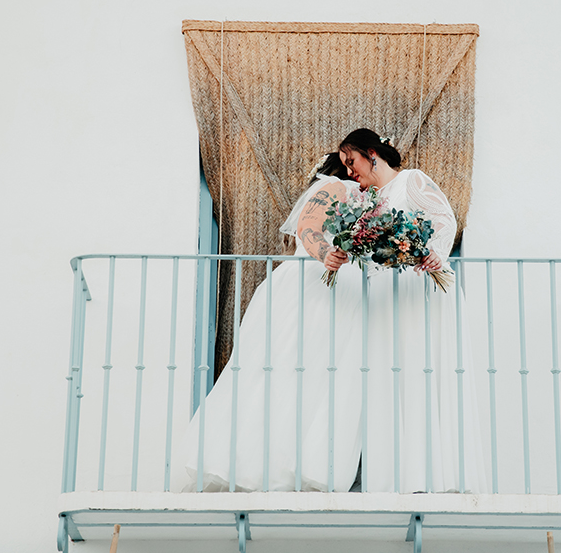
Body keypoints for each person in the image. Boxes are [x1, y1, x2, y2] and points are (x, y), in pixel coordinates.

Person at [171, 153, 368, 492]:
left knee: (305, 375)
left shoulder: (352, 193)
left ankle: (286, 465)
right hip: (316, 287)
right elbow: (308, 227)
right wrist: (327, 255)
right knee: (294, 371)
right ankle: (274, 467)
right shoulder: (339, 187)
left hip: (325, 288)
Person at [333, 128, 487, 494]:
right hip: (385, 295)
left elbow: (445, 219)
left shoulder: (411, 181)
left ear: (372, 154)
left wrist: (432, 253)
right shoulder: (365, 201)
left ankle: (429, 475)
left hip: (417, 287)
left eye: (351, 161)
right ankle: (392, 475)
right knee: (389, 377)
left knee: (420, 371)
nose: (349, 172)